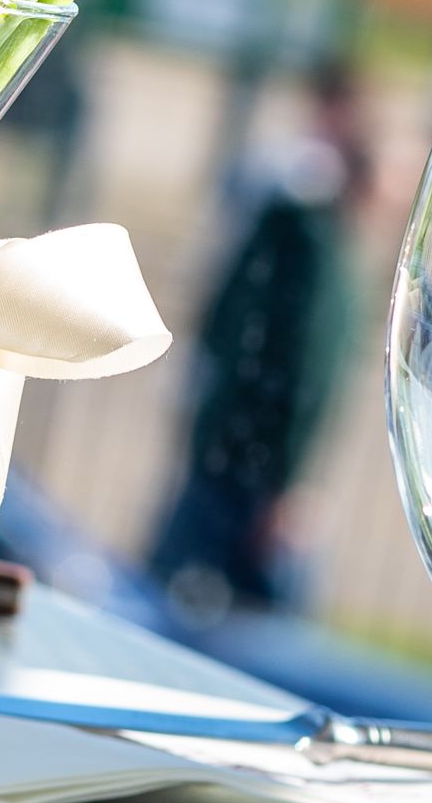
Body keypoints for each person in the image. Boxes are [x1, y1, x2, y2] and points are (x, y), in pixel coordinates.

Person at [149, 65, 373, 620]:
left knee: (245, 615)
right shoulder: (304, 236)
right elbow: (289, 358)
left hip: (247, 461)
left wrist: (288, 484)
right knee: (223, 609)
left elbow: (308, 370)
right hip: (241, 455)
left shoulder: (309, 242)